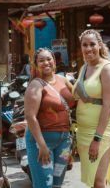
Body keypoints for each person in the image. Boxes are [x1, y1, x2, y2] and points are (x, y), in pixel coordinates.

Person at [72, 29, 110, 188]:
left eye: (92, 44)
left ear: (100, 45)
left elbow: (108, 105)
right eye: (84, 45)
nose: (88, 49)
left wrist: (97, 139)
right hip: (84, 131)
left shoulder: (107, 69)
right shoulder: (84, 68)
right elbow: (79, 95)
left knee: (98, 181)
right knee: (96, 180)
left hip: (102, 132)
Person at [24, 48, 75, 188]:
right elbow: (30, 116)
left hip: (64, 142)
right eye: (41, 60)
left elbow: (78, 98)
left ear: (54, 60)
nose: (46, 63)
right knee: (44, 185)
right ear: (36, 64)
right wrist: (42, 145)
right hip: (41, 142)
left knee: (58, 182)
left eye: (48, 59)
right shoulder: (36, 85)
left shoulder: (63, 80)